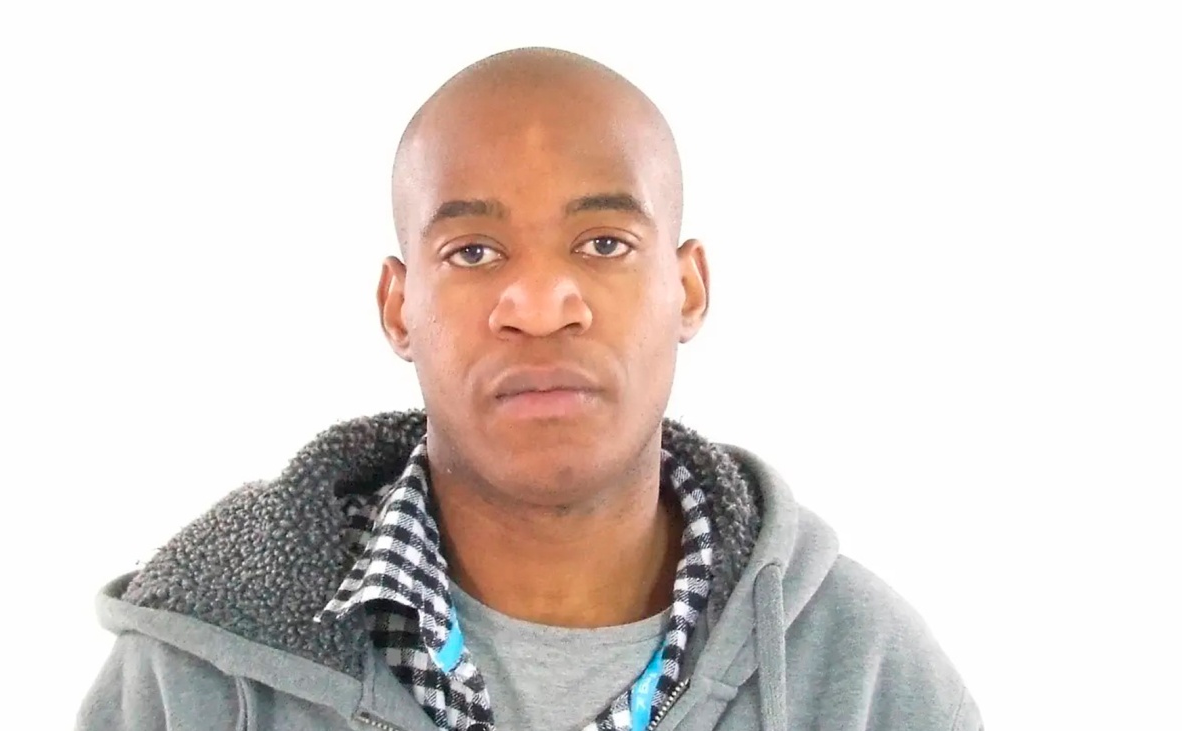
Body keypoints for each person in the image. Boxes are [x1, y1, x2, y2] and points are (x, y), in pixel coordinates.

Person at [76, 47, 983, 731]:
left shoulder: (863, 671)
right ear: (398, 307)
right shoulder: (198, 671)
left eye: (604, 244)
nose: (542, 305)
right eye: (473, 252)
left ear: (688, 289)